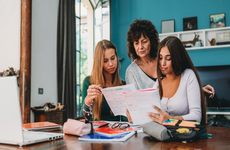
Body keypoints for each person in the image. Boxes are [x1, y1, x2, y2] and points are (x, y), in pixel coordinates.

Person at [125, 19, 214, 122]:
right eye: (136, 43)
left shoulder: (186, 75)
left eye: (144, 42)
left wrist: (195, 90)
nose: (162, 64)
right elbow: (145, 107)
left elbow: (195, 114)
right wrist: (136, 117)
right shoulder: (156, 79)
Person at [148, 36, 206, 124]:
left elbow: (196, 116)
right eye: (160, 58)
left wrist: (171, 119)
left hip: (184, 134)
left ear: (177, 58)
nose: (162, 63)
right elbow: (151, 113)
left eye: (168, 58)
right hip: (162, 134)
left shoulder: (188, 75)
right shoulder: (158, 83)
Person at [81, 39, 127, 121]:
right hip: (95, 131)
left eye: (113, 58)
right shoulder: (89, 83)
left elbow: (125, 119)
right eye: (105, 61)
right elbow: (84, 119)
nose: (111, 64)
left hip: (117, 130)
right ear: (99, 63)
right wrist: (87, 101)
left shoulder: (123, 85)